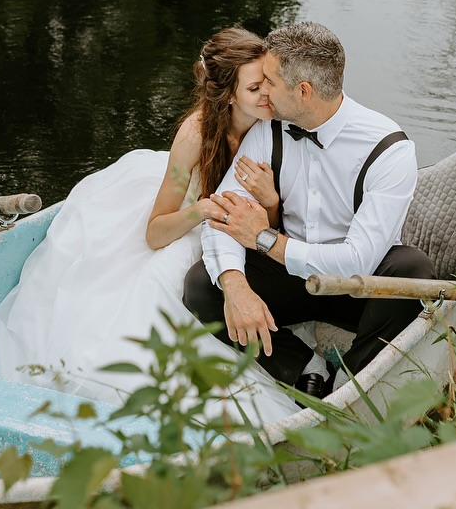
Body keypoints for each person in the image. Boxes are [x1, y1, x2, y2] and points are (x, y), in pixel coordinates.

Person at [0, 27, 301, 425]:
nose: (268, 96)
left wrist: (271, 202)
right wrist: (201, 210)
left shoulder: (276, 127)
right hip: (190, 221)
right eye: (256, 87)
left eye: (269, 83)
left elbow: (277, 225)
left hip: (243, 231)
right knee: (160, 280)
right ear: (227, 94)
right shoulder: (196, 135)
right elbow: (154, 232)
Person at [182, 21, 438, 394]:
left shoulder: (389, 149)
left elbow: (359, 262)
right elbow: (223, 214)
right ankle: (302, 368)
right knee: (203, 286)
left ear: (303, 91)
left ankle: (349, 386)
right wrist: (236, 286)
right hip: (289, 278)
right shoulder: (267, 131)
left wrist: (265, 239)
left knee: (412, 271)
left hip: (354, 288)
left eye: (269, 81)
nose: (262, 92)